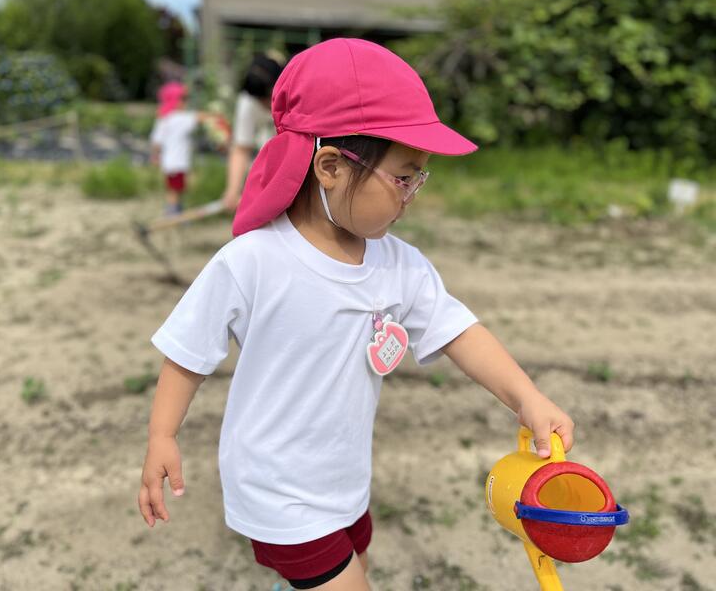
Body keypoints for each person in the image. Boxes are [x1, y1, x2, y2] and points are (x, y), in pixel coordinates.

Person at [138, 39, 575, 590]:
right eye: (403, 176)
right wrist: (162, 435)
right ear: (330, 167)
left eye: (420, 177)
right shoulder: (253, 261)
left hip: (344, 482)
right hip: (278, 490)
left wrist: (526, 397)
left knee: (355, 567)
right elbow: (188, 351)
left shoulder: (400, 264)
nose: (413, 194)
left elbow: (459, 331)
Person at [150, 82, 227, 216]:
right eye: (183, 98)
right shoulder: (179, 118)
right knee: (175, 189)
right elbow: (200, 117)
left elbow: (156, 141)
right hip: (177, 162)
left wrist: (155, 156)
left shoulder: (163, 119)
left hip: (169, 162)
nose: (186, 101)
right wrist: (217, 117)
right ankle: (172, 213)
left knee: (175, 188)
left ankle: (175, 210)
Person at [220, 52, 284, 212]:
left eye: (267, 98)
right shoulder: (248, 101)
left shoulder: (295, 95)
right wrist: (233, 190)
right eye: (260, 100)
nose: (265, 104)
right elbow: (241, 148)